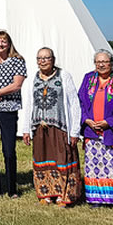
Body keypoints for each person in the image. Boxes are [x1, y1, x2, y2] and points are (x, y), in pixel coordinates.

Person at [22, 47, 82, 207]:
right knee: (42, 159)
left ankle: (64, 194)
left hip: (60, 126)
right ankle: (46, 193)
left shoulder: (63, 76)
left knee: (62, 158)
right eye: (39, 58)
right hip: (40, 128)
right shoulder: (32, 79)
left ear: (53, 60)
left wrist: (75, 129)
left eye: (46, 58)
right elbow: (29, 104)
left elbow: (74, 103)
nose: (42, 61)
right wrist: (26, 129)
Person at [78, 49, 113, 211]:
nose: (101, 65)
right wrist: (86, 120)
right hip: (92, 131)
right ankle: (96, 198)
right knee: (96, 166)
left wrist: (108, 122)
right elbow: (80, 102)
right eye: (98, 62)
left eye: (104, 62)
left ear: (111, 63)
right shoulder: (88, 79)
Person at [0, 30, 27, 199]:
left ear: (9, 44)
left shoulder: (17, 61)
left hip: (8, 109)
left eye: (4, 41)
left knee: (8, 150)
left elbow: (17, 84)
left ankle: (11, 187)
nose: (0, 44)